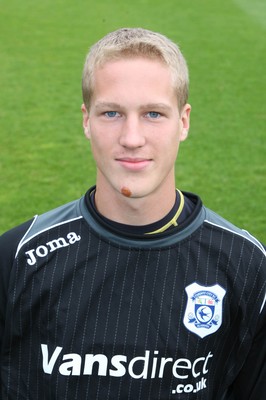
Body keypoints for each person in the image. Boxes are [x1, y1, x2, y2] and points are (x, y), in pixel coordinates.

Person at [0, 28, 265, 400]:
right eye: (111, 113)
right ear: (86, 120)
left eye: (153, 113)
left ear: (184, 122)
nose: (132, 137)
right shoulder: (18, 258)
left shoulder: (246, 266)